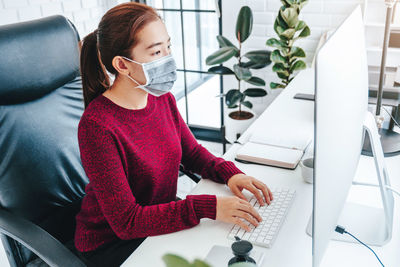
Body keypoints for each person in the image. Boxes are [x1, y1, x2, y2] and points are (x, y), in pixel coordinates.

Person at [74, 2, 273, 266]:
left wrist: (231, 173)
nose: (168, 58)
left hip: (155, 223)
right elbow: (126, 222)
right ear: (122, 64)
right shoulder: (97, 126)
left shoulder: (161, 98)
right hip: (113, 244)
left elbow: (191, 152)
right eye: (157, 51)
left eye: (168, 47)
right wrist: (208, 207)